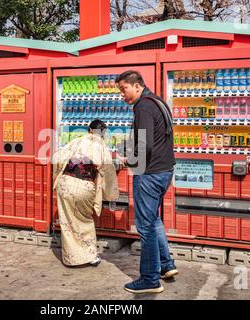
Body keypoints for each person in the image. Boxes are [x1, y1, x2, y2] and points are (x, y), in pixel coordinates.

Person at [116, 70, 178, 294]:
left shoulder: (142, 107)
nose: (122, 95)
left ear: (137, 86)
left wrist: (127, 159)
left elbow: (146, 146)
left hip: (149, 174)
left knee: (145, 227)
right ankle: (166, 265)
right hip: (165, 171)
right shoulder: (158, 101)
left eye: (123, 89)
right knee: (154, 220)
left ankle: (150, 279)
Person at [52, 119, 119, 267]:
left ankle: (71, 259)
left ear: (89, 130)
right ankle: (91, 257)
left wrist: (57, 175)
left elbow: (57, 157)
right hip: (83, 187)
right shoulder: (102, 148)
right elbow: (109, 173)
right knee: (85, 221)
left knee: (67, 223)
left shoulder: (77, 141)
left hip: (64, 184)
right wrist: (111, 195)